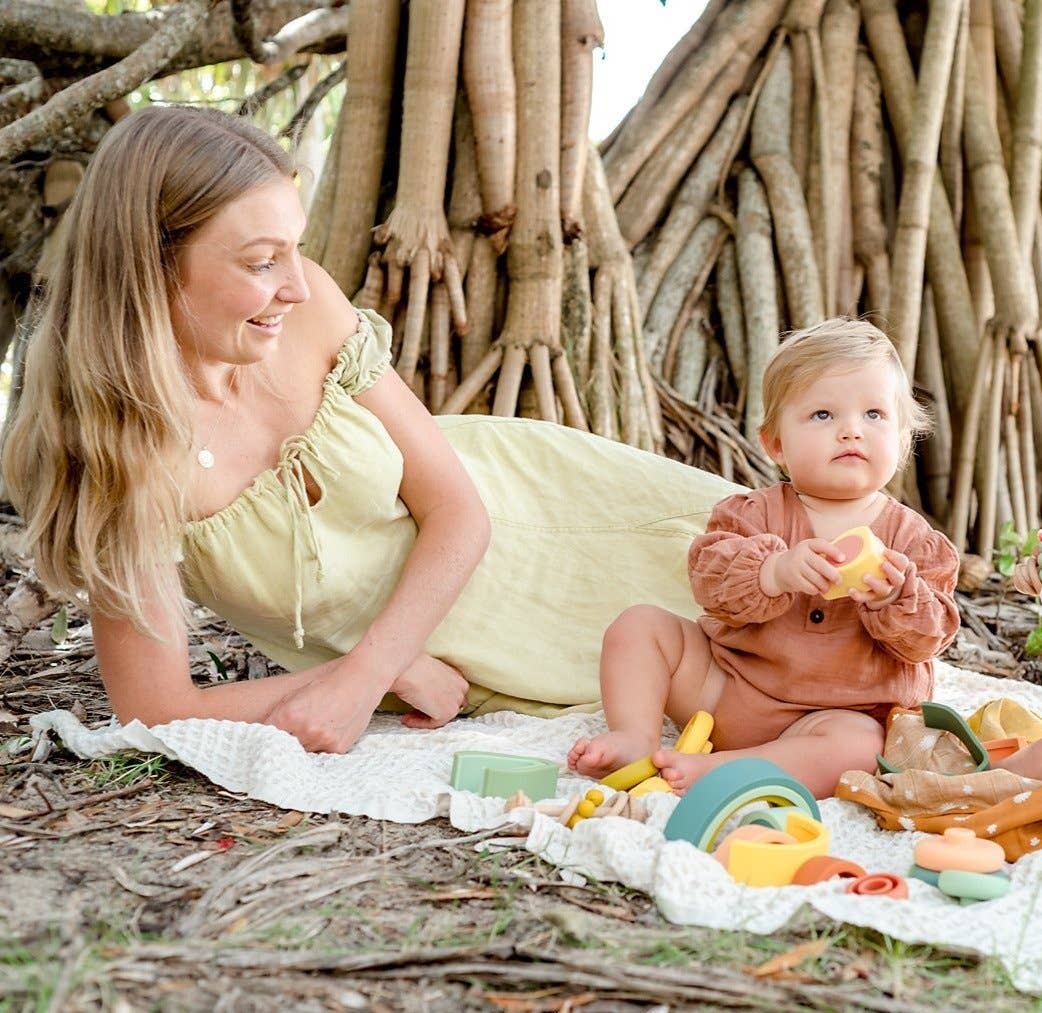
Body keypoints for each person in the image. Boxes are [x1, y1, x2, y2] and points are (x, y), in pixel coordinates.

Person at [2, 105, 738, 755]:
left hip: (546, 504)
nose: (297, 284)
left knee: (811, 569)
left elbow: (457, 505)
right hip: (482, 651)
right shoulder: (112, 453)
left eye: (295, 247)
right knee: (761, 693)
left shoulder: (308, 304)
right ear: (151, 268)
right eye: (262, 262)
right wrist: (371, 674)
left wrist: (369, 673)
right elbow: (157, 710)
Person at [569, 319, 965, 799]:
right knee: (639, 626)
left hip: (837, 717)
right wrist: (771, 572)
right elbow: (709, 581)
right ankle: (635, 737)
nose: (850, 432)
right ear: (776, 443)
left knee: (860, 750)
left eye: (874, 415)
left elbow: (931, 637)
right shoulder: (753, 514)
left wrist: (898, 597)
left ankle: (723, 769)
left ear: (902, 440)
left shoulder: (915, 542)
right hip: (730, 691)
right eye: (823, 415)